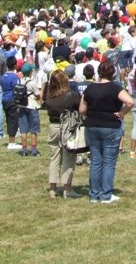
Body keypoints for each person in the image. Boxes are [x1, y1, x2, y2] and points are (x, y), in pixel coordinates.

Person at [80, 60, 134, 204]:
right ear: (113, 73)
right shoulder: (115, 88)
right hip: (110, 125)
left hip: (92, 126)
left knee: (96, 161)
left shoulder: (90, 89)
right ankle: (105, 194)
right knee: (109, 162)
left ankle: (94, 194)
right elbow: (130, 102)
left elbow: (82, 110)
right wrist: (122, 113)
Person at [41, 70, 83, 199]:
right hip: (68, 126)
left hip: (53, 127)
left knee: (54, 158)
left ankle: (52, 189)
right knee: (69, 158)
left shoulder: (49, 96)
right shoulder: (71, 95)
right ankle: (67, 189)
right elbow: (81, 108)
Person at [17, 63, 43, 157]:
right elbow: (38, 95)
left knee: (23, 130)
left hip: (21, 106)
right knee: (33, 129)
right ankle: (34, 150)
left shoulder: (19, 81)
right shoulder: (32, 83)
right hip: (31, 107)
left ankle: (24, 150)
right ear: (30, 72)